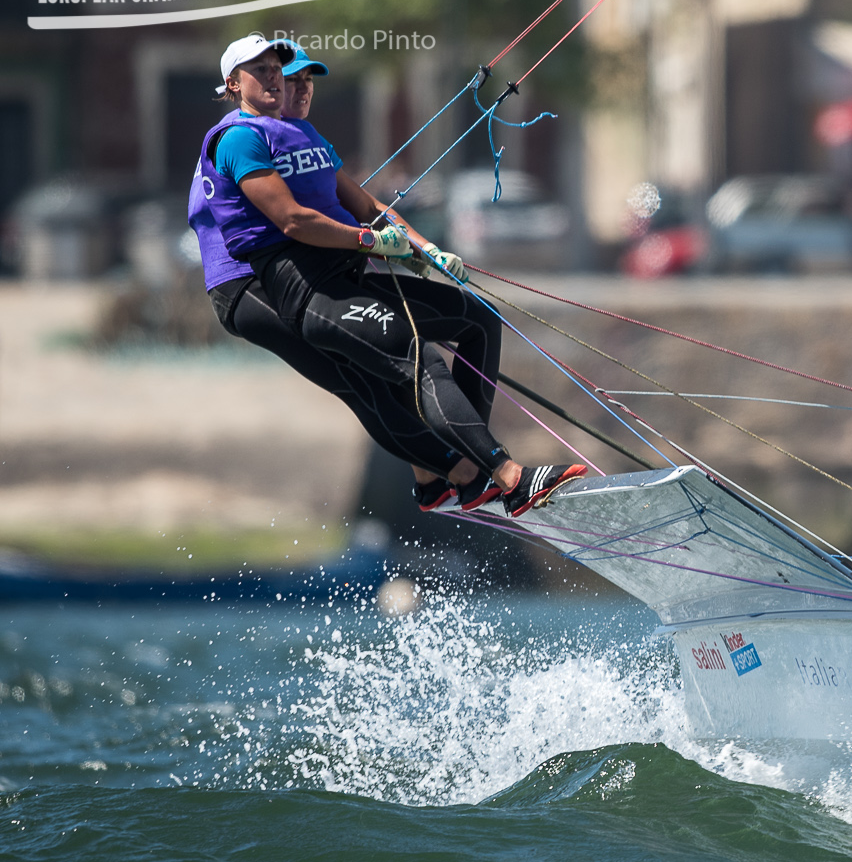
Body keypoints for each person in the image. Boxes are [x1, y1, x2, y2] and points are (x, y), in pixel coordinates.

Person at [192, 32, 584, 516]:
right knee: (388, 371)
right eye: (268, 71)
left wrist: (424, 249)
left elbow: (366, 205)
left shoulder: (304, 134)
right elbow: (293, 220)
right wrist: (371, 242)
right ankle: (503, 476)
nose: (286, 81)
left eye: (283, 71)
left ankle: (459, 468)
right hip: (281, 285)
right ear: (233, 83)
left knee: (477, 320)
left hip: (342, 272)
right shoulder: (237, 138)